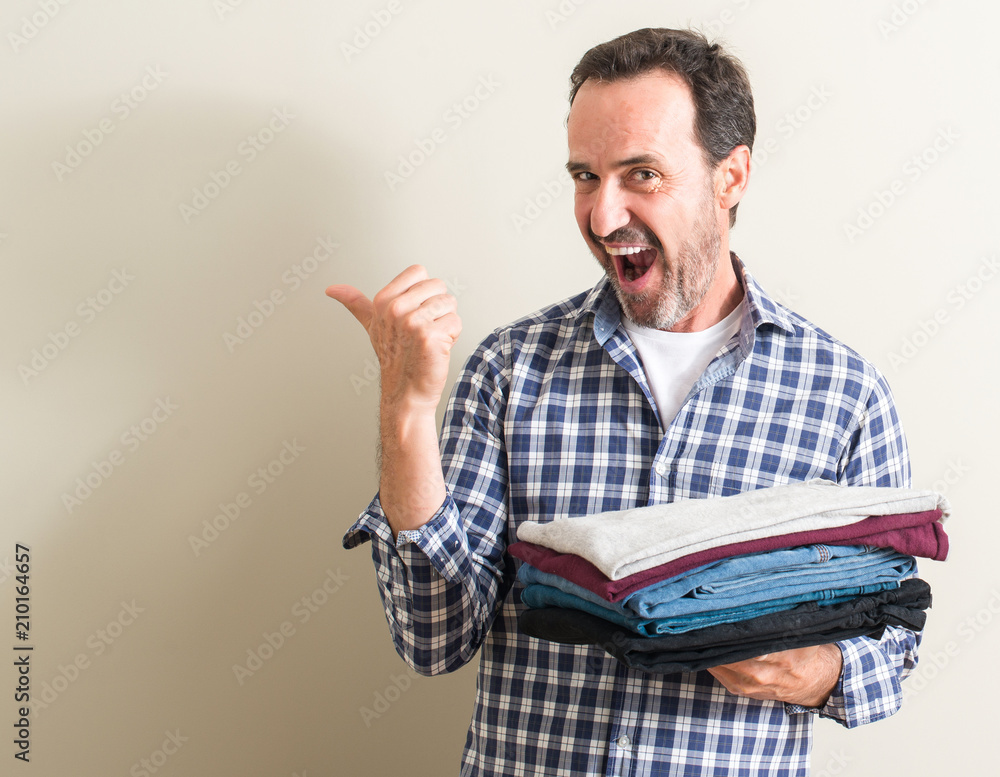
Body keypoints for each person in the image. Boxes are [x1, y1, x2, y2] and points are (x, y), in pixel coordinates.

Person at [328, 28, 917, 776]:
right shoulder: (510, 369)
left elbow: (894, 646)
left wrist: (813, 671)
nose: (603, 217)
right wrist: (405, 414)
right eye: (584, 176)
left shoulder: (844, 395)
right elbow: (433, 636)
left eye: (642, 173)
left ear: (730, 176)